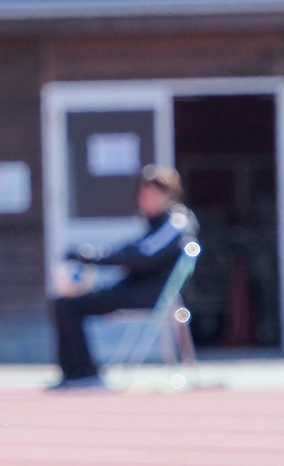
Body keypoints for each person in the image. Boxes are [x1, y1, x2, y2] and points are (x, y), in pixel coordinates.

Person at [48, 165, 198, 390]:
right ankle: (75, 373)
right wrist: (89, 255)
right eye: (143, 194)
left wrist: (91, 257)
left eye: (153, 194)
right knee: (64, 302)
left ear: (169, 195)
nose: (146, 199)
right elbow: (130, 249)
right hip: (134, 289)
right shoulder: (154, 225)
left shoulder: (176, 223)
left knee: (71, 305)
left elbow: (144, 256)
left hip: (153, 295)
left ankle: (84, 373)